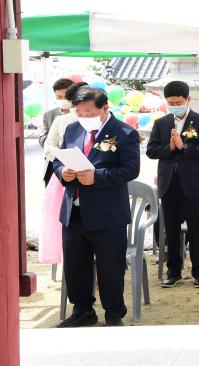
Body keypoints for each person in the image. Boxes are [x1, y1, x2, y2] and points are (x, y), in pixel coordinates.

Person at [54, 86, 141, 327]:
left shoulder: (124, 132)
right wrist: (64, 173)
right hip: (74, 211)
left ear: (104, 109)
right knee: (75, 267)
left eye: (89, 112)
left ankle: (113, 314)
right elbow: (58, 162)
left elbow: (130, 169)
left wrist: (98, 177)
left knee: (110, 268)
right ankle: (82, 310)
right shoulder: (72, 129)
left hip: (107, 214)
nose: (83, 118)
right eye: (79, 112)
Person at [146, 81, 199, 288]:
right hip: (168, 183)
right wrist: (169, 148)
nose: (175, 105)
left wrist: (184, 146)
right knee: (171, 229)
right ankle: (173, 271)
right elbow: (151, 150)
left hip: (192, 184)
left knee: (196, 228)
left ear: (188, 100)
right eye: (171, 102)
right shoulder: (161, 123)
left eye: (179, 102)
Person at [40, 81, 87, 266]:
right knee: (63, 227)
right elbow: (48, 146)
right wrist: (65, 158)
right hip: (64, 177)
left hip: (92, 179)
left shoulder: (103, 120)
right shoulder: (61, 120)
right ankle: (70, 265)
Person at [39, 78, 75, 148]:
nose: (63, 100)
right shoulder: (49, 115)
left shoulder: (80, 113)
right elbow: (42, 137)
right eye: (59, 97)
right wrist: (53, 142)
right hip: (54, 154)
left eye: (66, 97)